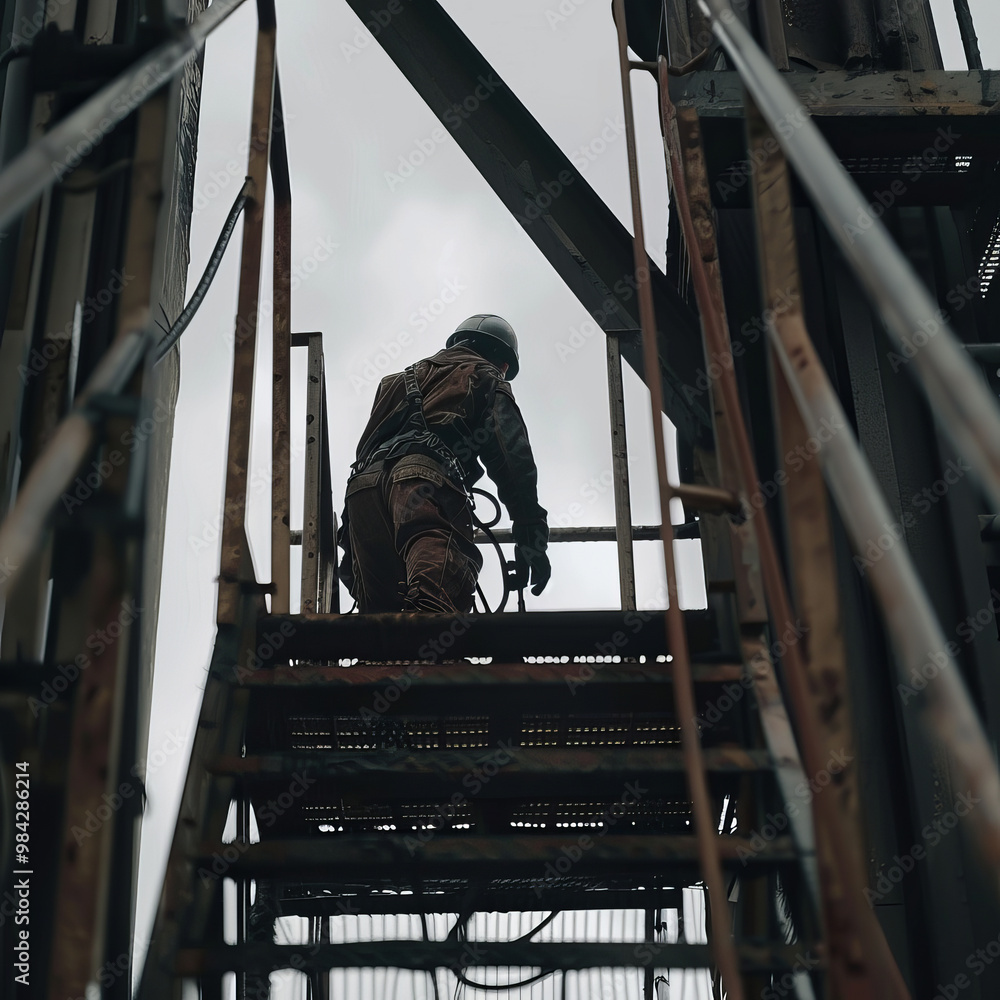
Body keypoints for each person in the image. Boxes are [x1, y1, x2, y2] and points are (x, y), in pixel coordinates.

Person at [338, 314, 550, 614]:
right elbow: (512, 456)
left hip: (362, 491)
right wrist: (531, 533)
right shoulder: (484, 375)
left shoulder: (395, 381)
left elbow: (366, 446)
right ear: (499, 360)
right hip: (424, 483)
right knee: (436, 607)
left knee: (379, 623)